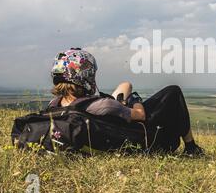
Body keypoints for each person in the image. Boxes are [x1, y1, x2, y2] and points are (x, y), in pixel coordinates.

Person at [48, 47, 204, 155]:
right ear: (84, 75)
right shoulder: (103, 105)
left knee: (126, 86)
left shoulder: (55, 104)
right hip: (139, 136)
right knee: (173, 91)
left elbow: (125, 86)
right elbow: (140, 115)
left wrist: (121, 102)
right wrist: (134, 100)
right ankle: (191, 147)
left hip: (108, 128)